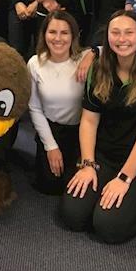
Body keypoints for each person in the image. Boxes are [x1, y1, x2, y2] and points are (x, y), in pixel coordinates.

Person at [60, 10, 136, 244]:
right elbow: (89, 121)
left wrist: (124, 178)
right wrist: (88, 165)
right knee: (73, 216)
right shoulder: (98, 69)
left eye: (129, 32)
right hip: (106, 154)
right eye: (115, 33)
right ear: (107, 37)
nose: (122, 39)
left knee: (109, 226)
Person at [27, 11, 84, 195]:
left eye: (64, 33)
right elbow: (34, 107)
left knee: (75, 190)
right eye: (52, 32)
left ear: (73, 36)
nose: (58, 38)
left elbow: (106, 48)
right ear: (44, 34)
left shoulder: (84, 60)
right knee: (49, 186)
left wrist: (93, 52)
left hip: (80, 132)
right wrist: (51, 146)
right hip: (51, 130)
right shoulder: (35, 63)